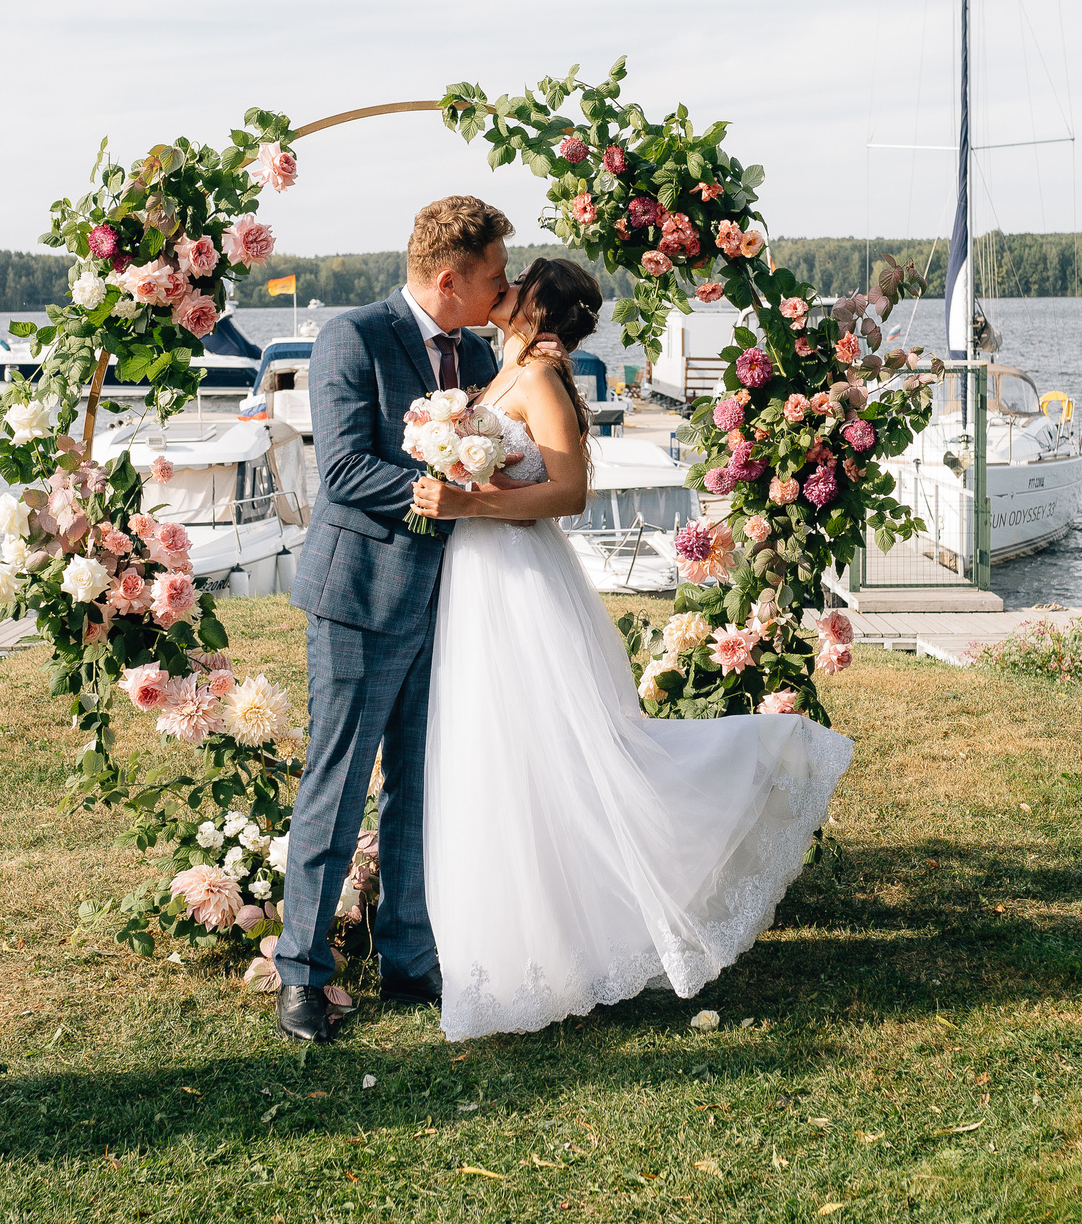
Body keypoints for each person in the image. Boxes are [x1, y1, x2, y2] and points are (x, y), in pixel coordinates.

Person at [420, 258, 853, 1041]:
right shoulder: (506, 366)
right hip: (482, 575)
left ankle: (762, 757)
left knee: (566, 749)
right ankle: (529, 951)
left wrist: (469, 500)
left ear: (538, 306)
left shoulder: (540, 378)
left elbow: (569, 492)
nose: (505, 285)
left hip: (519, 575)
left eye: (519, 280)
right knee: (508, 753)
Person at [277, 195, 510, 1044]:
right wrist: (443, 489)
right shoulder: (354, 337)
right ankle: (301, 972)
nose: (504, 288)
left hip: (447, 604)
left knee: (420, 782)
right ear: (449, 279)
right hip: (360, 599)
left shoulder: (478, 351)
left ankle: (410, 955)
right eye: (494, 275)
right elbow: (342, 470)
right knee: (338, 784)